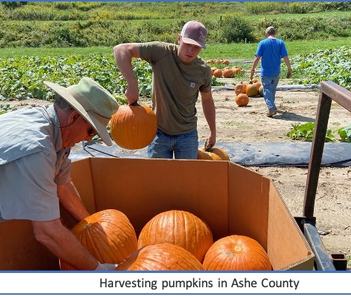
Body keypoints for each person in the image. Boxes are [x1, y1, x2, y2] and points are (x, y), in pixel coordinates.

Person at [0, 77, 119, 270]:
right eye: (91, 131)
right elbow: (47, 232)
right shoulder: (38, 149)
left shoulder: (55, 131)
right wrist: (97, 270)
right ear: (73, 117)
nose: (88, 139)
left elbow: (62, 186)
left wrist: (91, 225)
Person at [113, 20, 216, 159]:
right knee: (158, 178)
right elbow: (120, 49)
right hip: (158, 133)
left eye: (196, 47)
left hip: (187, 135)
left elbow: (207, 100)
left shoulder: (203, 70)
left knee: (187, 178)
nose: (191, 50)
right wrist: (132, 83)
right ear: (179, 39)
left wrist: (212, 131)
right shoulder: (161, 52)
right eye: (187, 44)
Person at [250, 26, 292, 117]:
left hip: (266, 72)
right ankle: (273, 106)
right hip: (276, 72)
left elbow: (257, 58)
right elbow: (285, 57)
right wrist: (289, 68)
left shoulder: (262, 43)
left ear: (266, 34)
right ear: (275, 33)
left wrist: (253, 69)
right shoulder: (281, 43)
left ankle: (271, 108)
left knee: (267, 91)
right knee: (272, 90)